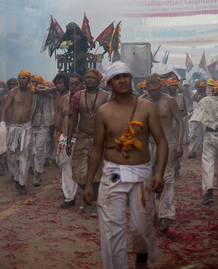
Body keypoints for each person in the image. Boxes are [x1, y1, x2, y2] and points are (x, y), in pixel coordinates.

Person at [83, 62, 168, 269]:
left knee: (141, 226)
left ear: (131, 79)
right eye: (117, 77)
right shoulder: (103, 112)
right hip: (113, 174)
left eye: (126, 76)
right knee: (113, 230)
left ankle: (141, 254)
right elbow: (96, 149)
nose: (122, 80)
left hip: (142, 174)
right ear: (109, 83)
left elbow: (161, 141)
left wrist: (159, 173)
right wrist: (88, 184)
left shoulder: (146, 107)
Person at [1, 71, 56, 195]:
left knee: (25, 156)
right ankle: (16, 177)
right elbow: (5, 108)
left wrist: (60, 85)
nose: (21, 81)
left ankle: (22, 183)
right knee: (11, 156)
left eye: (24, 79)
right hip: (13, 127)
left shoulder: (33, 92)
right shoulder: (13, 92)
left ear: (28, 80)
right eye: (19, 78)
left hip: (27, 127)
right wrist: (2, 124)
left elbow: (48, 90)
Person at [67, 69, 109, 217]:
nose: (90, 80)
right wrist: (68, 141)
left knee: (97, 173)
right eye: (87, 78)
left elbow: (112, 120)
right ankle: (88, 195)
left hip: (99, 139)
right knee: (78, 172)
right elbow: (72, 119)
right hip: (82, 138)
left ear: (99, 80)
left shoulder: (106, 97)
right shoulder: (78, 97)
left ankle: (94, 202)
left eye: (93, 78)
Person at [145, 73, 183, 231]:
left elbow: (180, 122)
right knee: (150, 177)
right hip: (149, 142)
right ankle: (154, 211)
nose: (153, 93)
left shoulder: (169, 101)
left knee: (167, 177)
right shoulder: (144, 102)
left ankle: (165, 215)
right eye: (150, 90)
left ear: (160, 87)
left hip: (168, 141)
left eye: (155, 89)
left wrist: (179, 144)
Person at [189, 80, 218, 205]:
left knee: (208, 163)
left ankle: (209, 192)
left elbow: (197, 117)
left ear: (214, 90)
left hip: (210, 136)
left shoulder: (206, 101)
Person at [57, 73, 83, 209]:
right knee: (66, 168)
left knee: (84, 169)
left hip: (83, 139)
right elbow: (60, 118)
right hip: (67, 138)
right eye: (71, 84)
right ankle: (69, 198)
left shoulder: (87, 98)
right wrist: (61, 135)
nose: (73, 86)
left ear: (82, 84)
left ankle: (90, 196)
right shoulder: (64, 98)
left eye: (76, 83)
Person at [30, 75, 55, 187]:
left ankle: (37, 173)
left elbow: (44, 91)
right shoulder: (30, 92)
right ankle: (32, 168)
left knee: (39, 149)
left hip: (44, 124)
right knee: (31, 150)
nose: (30, 83)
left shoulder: (47, 92)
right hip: (30, 124)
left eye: (33, 81)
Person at [167, 77, 188, 178]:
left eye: (175, 85)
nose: (174, 87)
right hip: (168, 124)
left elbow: (185, 111)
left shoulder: (180, 97)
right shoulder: (165, 97)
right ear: (168, 87)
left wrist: (178, 115)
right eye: (171, 85)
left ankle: (176, 165)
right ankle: (172, 166)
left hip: (178, 124)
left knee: (178, 144)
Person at [188, 81, 207, 159]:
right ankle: (193, 151)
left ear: (202, 88)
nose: (197, 89)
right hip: (198, 118)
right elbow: (194, 98)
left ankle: (205, 151)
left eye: (198, 87)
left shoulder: (206, 97)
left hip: (205, 118)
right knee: (196, 135)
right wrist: (198, 91)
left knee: (205, 135)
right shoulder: (199, 96)